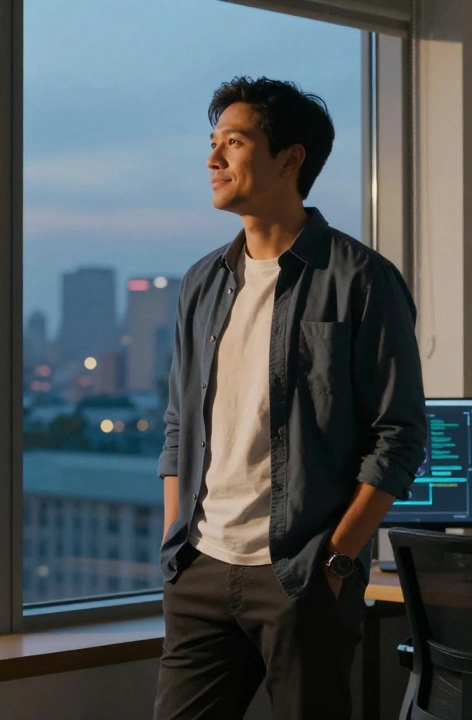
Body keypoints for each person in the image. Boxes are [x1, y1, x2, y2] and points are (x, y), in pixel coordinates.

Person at [153, 76, 427, 720]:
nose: (213, 158)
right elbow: (178, 424)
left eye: (234, 141)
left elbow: (400, 435)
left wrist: (336, 561)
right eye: (213, 142)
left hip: (301, 576)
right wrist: (177, 538)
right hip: (200, 568)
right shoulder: (202, 282)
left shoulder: (361, 280)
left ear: (290, 158)